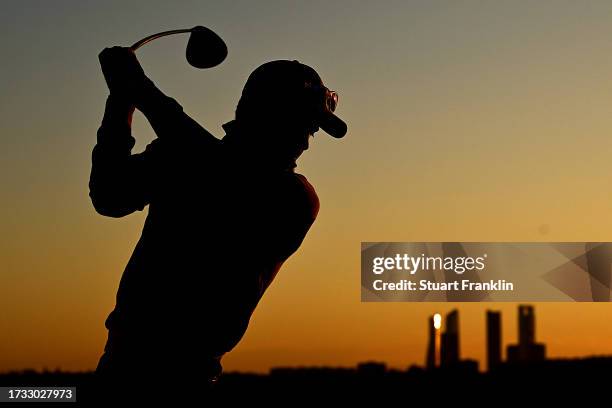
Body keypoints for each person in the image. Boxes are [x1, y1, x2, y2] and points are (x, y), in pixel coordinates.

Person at [89, 47, 347, 401]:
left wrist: (139, 88)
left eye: (311, 130)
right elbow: (109, 195)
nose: (304, 142)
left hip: (186, 379)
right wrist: (121, 101)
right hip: (120, 368)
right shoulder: (183, 154)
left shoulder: (295, 199)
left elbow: (221, 172)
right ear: (263, 117)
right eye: (299, 125)